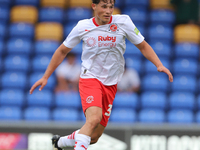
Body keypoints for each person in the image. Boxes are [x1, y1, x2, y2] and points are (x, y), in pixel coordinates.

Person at [29, 0, 173, 149]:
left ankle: (59, 143)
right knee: (93, 119)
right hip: (90, 78)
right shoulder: (83, 26)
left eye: (111, 7)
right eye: (104, 7)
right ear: (94, 6)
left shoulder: (124, 22)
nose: (108, 11)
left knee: (94, 137)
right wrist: (46, 76)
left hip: (111, 83)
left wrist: (159, 64)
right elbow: (62, 51)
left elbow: (143, 46)